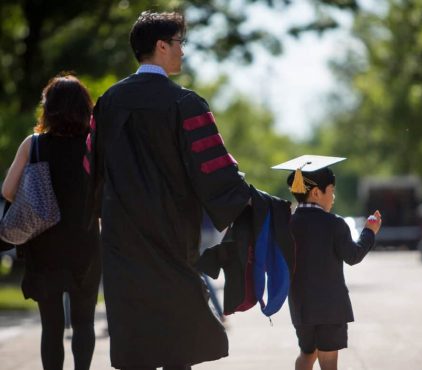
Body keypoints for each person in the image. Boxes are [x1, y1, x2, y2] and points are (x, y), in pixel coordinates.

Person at [83, 11, 251, 370]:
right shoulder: (185, 103)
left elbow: (90, 170)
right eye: (179, 43)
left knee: (135, 334)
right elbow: (215, 170)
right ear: (161, 46)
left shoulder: (108, 102)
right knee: (179, 337)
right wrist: (252, 202)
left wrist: (99, 215)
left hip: (122, 239)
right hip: (172, 236)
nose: (183, 52)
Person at [2, 74, 101, 370]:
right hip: (86, 247)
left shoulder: (33, 145)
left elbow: (7, 191)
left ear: (49, 108)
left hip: (45, 248)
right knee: (84, 323)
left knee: (52, 326)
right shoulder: (93, 145)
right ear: (86, 108)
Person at [273, 155, 382, 370]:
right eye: (331, 191)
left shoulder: (287, 224)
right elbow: (353, 255)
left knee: (306, 354)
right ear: (316, 193)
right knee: (328, 361)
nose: (333, 197)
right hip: (330, 308)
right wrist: (369, 232)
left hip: (300, 306)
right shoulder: (334, 224)